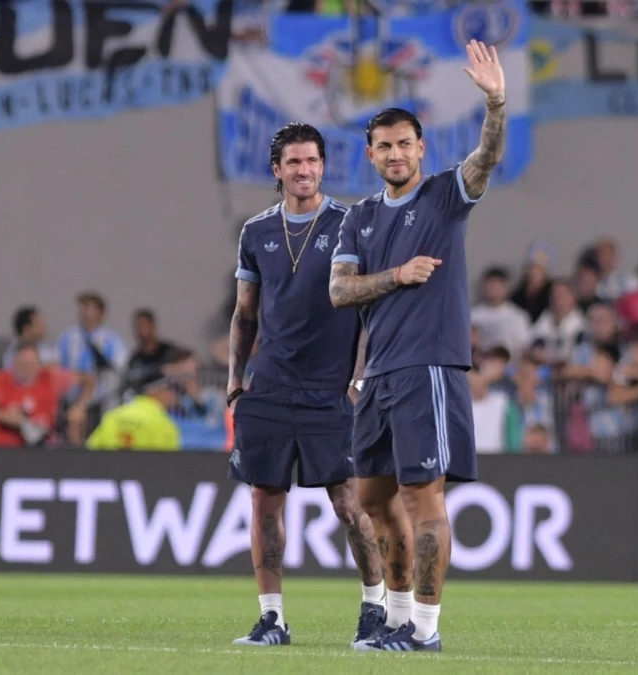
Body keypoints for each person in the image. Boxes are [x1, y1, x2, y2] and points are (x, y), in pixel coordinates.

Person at [328, 39, 506, 652]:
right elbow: (340, 291)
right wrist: (397, 276)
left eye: (406, 143)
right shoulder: (359, 218)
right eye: (385, 146)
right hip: (377, 375)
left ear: (421, 149)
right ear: (371, 155)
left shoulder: (444, 197)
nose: (397, 153)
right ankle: (396, 620)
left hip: (427, 366)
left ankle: (425, 631)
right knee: (374, 500)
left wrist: (496, 104)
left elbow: (486, 158)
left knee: (421, 497)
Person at [226, 123, 384, 649]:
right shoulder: (255, 232)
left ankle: (375, 607)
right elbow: (244, 315)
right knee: (264, 504)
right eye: (293, 162)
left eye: (312, 161)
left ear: (323, 165)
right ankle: (272, 619)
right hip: (269, 387)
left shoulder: (350, 223)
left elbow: (369, 309)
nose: (304, 170)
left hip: (330, 390)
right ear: (277, 170)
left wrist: (358, 380)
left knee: (349, 504)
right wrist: (234, 382)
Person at [86, 359, 182, 451]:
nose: (174, 395)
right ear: (155, 390)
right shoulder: (163, 424)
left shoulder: (112, 416)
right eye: (170, 389)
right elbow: (169, 463)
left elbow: (91, 451)